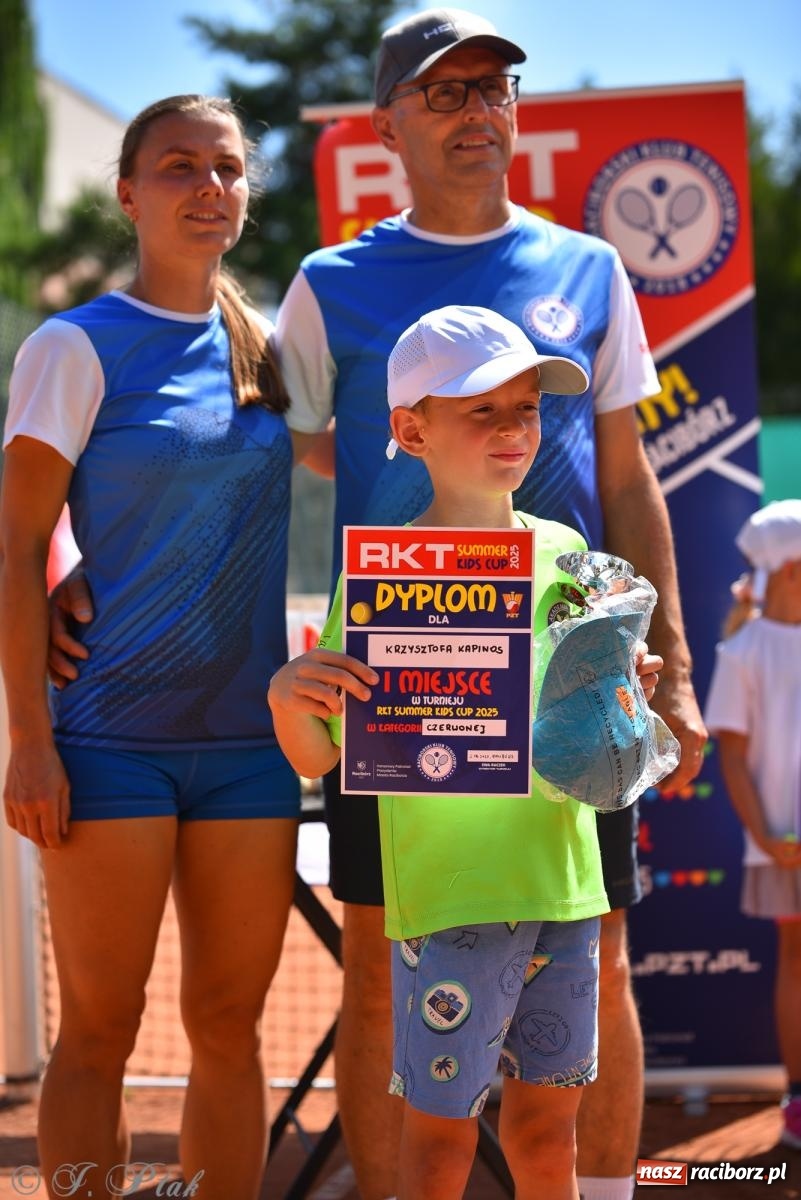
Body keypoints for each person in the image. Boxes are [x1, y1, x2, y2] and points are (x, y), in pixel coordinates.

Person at [270, 9, 707, 1200]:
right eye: (445, 92)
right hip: (408, 699)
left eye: (494, 89)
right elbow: (290, 457)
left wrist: (670, 661)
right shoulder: (327, 283)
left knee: (598, 957)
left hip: (572, 697)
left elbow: (628, 475)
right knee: (375, 966)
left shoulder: (589, 266)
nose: (476, 111)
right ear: (389, 124)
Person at [269, 303, 670, 1200]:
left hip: (565, 894)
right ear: (410, 429)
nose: (511, 429)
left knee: (543, 1135)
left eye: (525, 408)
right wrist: (285, 694)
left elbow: (599, 731)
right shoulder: (380, 577)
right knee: (440, 1149)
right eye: (479, 410)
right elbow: (317, 755)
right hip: (448, 904)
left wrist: (623, 694)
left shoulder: (570, 555)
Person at [0, 94, 314, 1200]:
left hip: (250, 748)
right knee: (101, 1027)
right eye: (179, 168)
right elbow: (16, 545)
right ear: (129, 194)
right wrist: (29, 744)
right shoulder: (73, 345)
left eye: (226, 169)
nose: (207, 187)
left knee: (231, 1028)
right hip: (105, 745)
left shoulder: (274, 348)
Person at [704, 499, 801, 1152]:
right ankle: (797, 1096)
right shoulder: (739, 652)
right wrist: (766, 837)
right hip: (783, 850)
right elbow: (730, 755)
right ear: (789, 569)